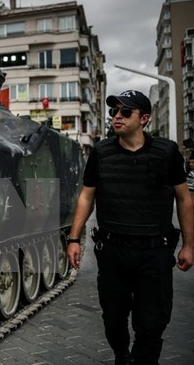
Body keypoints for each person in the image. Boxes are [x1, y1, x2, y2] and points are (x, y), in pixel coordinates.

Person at [67, 90, 194, 365]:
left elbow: (184, 198)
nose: (117, 117)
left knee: (151, 323)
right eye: (114, 111)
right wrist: (74, 238)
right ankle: (122, 356)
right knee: (113, 318)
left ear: (144, 118)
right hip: (113, 251)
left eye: (126, 112)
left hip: (154, 252)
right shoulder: (101, 152)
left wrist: (188, 245)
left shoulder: (167, 152)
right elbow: (87, 195)